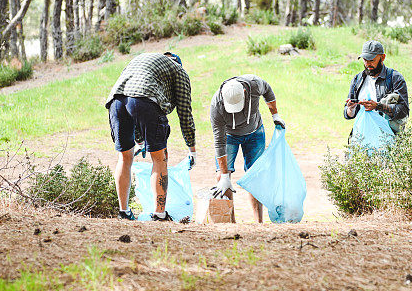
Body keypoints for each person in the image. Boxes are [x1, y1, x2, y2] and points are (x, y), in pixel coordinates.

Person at [106, 52, 196, 222]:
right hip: (144, 102)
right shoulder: (178, 70)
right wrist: (192, 149)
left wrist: (139, 141)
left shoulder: (142, 60)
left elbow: (130, 98)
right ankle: (159, 214)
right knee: (159, 159)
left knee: (124, 158)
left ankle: (123, 212)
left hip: (116, 102)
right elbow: (185, 112)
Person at [209, 74, 285, 223]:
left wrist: (275, 115)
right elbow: (219, 142)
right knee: (222, 177)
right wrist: (225, 176)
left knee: (255, 176)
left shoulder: (254, 84)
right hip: (229, 136)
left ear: (245, 92)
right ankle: (231, 223)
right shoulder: (216, 105)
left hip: (254, 132)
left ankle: (258, 222)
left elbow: (268, 90)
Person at [344, 40, 409, 133]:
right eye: (365, 60)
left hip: (387, 139)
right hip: (361, 138)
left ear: (382, 57)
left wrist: (378, 106)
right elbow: (348, 114)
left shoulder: (395, 78)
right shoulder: (357, 79)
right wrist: (351, 108)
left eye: (371, 60)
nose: (367, 64)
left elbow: (403, 111)